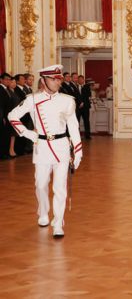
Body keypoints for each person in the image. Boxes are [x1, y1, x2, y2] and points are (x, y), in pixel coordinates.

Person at [8, 64, 82, 238]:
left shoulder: (67, 100)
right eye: (53, 79)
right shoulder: (32, 99)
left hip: (62, 147)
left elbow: (74, 127)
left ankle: (58, 222)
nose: (57, 82)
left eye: (58, 79)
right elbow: (12, 115)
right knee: (40, 185)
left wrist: (78, 151)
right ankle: (43, 212)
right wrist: (27, 134)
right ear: (43, 80)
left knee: (60, 188)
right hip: (41, 148)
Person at [78, 75, 91, 139]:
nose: (80, 80)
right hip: (78, 107)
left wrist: (83, 102)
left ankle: (87, 135)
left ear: (83, 80)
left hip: (85, 106)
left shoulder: (87, 86)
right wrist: (79, 103)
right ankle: (77, 135)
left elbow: (88, 95)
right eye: (79, 79)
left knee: (86, 121)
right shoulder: (76, 86)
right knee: (77, 121)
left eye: (81, 79)